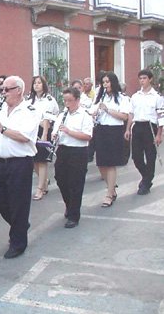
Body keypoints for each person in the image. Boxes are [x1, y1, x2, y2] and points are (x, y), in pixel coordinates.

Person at [0, 76, 39, 259]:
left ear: (19, 90)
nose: (3, 93)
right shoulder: (0, 110)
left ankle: (18, 243)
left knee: (19, 203)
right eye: (2, 89)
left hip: (20, 163)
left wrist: (1, 129)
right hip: (2, 162)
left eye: (7, 89)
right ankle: (20, 225)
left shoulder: (29, 110)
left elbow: (25, 137)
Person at [52, 87, 93, 228]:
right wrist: (54, 135)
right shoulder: (62, 115)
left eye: (69, 100)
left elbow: (87, 136)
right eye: (65, 100)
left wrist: (69, 131)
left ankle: (74, 215)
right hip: (63, 150)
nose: (67, 103)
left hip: (79, 152)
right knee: (60, 179)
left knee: (75, 184)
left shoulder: (84, 115)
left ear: (77, 100)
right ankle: (69, 205)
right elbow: (56, 131)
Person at [90, 72, 129, 207]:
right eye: (103, 82)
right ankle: (111, 188)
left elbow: (124, 116)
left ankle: (109, 193)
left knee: (111, 163)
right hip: (101, 129)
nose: (105, 84)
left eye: (107, 82)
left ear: (113, 82)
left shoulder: (122, 98)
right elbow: (92, 111)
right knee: (101, 163)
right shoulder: (100, 97)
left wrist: (107, 110)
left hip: (114, 131)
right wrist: (94, 113)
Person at [125, 69, 164, 195]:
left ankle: (146, 183)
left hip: (150, 127)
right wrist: (128, 129)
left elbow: (160, 117)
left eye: (144, 78)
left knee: (150, 156)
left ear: (150, 79)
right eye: (140, 78)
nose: (142, 80)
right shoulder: (135, 96)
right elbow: (131, 113)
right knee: (136, 157)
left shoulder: (157, 97)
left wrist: (159, 134)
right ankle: (147, 177)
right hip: (137, 127)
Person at [26, 76, 59, 201]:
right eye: (35, 83)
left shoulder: (49, 99)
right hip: (32, 131)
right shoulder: (30, 99)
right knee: (34, 160)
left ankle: (40, 188)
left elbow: (51, 116)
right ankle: (44, 180)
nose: (37, 85)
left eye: (39, 83)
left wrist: (45, 133)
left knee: (42, 160)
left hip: (44, 129)